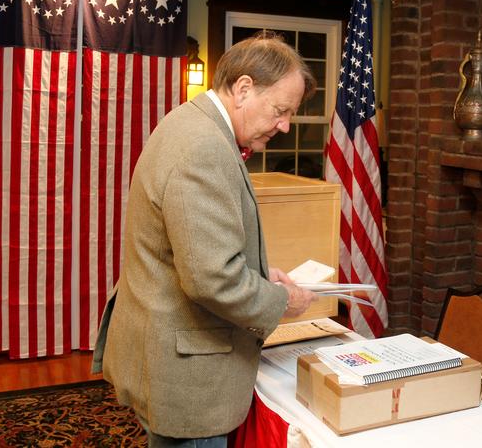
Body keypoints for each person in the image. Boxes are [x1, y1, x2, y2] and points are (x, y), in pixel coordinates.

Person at [93, 31, 318, 447]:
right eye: (280, 110)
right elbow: (211, 278)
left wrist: (258, 271)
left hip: (166, 349)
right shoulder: (204, 147)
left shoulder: (191, 121)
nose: (285, 125)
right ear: (244, 88)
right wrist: (283, 300)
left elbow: (193, 247)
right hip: (188, 378)